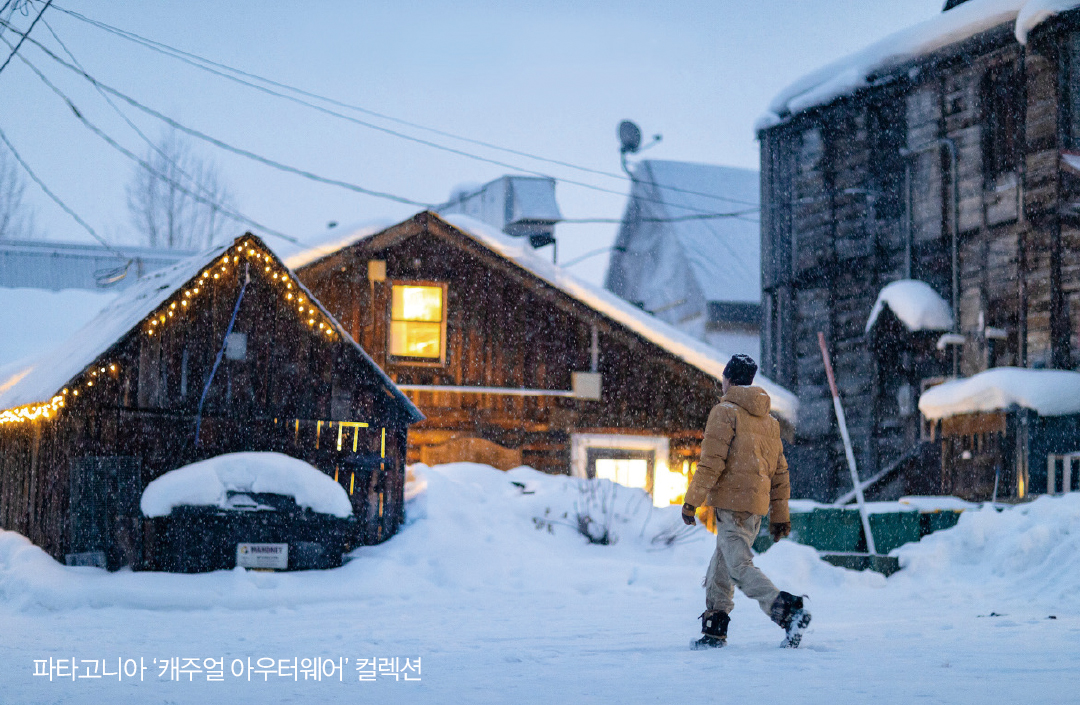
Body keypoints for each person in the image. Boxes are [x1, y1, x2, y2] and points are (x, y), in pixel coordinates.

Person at [681, 353, 811, 649]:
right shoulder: (769, 421)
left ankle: (788, 612)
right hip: (754, 510)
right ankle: (714, 630)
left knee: (738, 566)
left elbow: (711, 463)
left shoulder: (724, 411)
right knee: (721, 568)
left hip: (732, 506)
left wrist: (692, 502)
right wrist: (779, 516)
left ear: (727, 378)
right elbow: (780, 473)